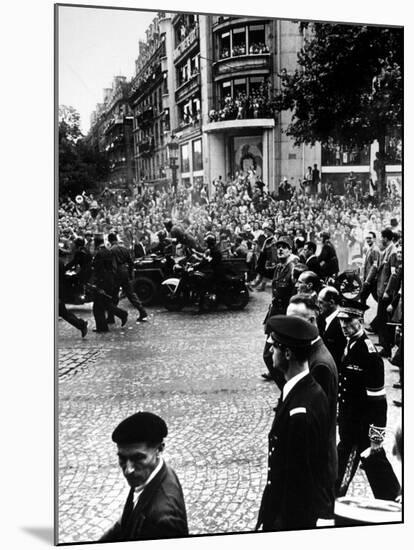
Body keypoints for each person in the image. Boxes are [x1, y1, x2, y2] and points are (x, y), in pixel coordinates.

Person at [256, 315, 330, 531]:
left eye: (274, 347)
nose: (270, 352)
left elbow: (298, 481)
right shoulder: (308, 391)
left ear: (287, 353)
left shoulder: (300, 412)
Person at [100, 411, 188, 542]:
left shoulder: (162, 520)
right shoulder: (152, 474)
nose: (128, 470)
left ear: (159, 449)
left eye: (138, 458)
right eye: (122, 458)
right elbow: (124, 522)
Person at [336, 299, 388, 498]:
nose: (344, 326)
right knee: (377, 467)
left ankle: (332, 506)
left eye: (349, 322)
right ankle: (392, 498)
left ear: (360, 320)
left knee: (341, 476)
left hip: (359, 430)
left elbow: (378, 402)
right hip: (349, 424)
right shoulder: (350, 345)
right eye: (342, 321)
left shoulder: (369, 355)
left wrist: (376, 440)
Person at [261, 236, 297, 380]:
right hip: (275, 315)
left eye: (284, 247)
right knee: (270, 355)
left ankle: (284, 386)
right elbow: (260, 269)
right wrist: (264, 250)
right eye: (278, 247)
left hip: (285, 318)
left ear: (290, 251)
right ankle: (282, 381)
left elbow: (296, 296)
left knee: (271, 355)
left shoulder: (293, 268)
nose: (280, 249)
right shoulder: (278, 268)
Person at [107, 233, 148, 324]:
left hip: (117, 273)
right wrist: (130, 274)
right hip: (125, 272)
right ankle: (142, 312)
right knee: (131, 294)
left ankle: (111, 317)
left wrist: (112, 277)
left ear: (109, 240)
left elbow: (113, 266)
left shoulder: (111, 250)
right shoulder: (124, 248)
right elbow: (131, 263)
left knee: (113, 295)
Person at [91, 235, 128, 333]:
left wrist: (96, 283)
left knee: (98, 307)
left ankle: (102, 327)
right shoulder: (109, 252)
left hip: (102, 281)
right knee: (106, 303)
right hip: (110, 281)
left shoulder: (99, 253)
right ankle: (121, 314)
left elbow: (97, 269)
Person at [375, 228, 398, 357]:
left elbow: (393, 276)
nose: (380, 240)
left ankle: (386, 348)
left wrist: (387, 291)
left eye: (381, 237)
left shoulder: (393, 252)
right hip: (382, 290)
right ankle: (384, 344)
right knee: (381, 319)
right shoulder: (388, 251)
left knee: (383, 320)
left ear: (386, 238)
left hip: (386, 293)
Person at [58, 250, 88, 337]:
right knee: (63, 312)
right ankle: (81, 325)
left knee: (63, 312)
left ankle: (81, 325)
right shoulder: (59, 262)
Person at [317, 286, 346, 369]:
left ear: (331, 303)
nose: (318, 305)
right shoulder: (321, 318)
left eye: (321, 302)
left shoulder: (342, 323)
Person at [360, 231, 380, 306]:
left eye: (370, 238)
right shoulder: (369, 249)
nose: (368, 240)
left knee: (363, 296)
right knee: (374, 297)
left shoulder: (375, 250)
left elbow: (375, 266)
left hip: (372, 280)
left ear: (374, 239)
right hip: (370, 280)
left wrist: (367, 280)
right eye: (367, 238)